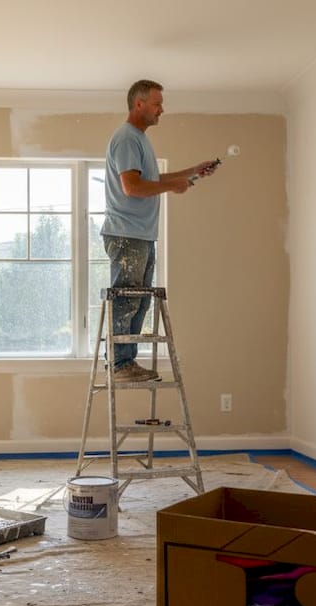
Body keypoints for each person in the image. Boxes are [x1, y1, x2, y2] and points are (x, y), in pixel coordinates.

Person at [101, 79, 219, 382]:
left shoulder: (139, 139)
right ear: (139, 103)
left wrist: (191, 172)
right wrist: (172, 187)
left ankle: (126, 362)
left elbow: (151, 179)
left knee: (139, 300)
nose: (161, 110)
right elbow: (132, 187)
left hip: (140, 234)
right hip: (127, 234)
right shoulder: (127, 138)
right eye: (157, 104)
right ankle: (119, 364)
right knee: (128, 299)